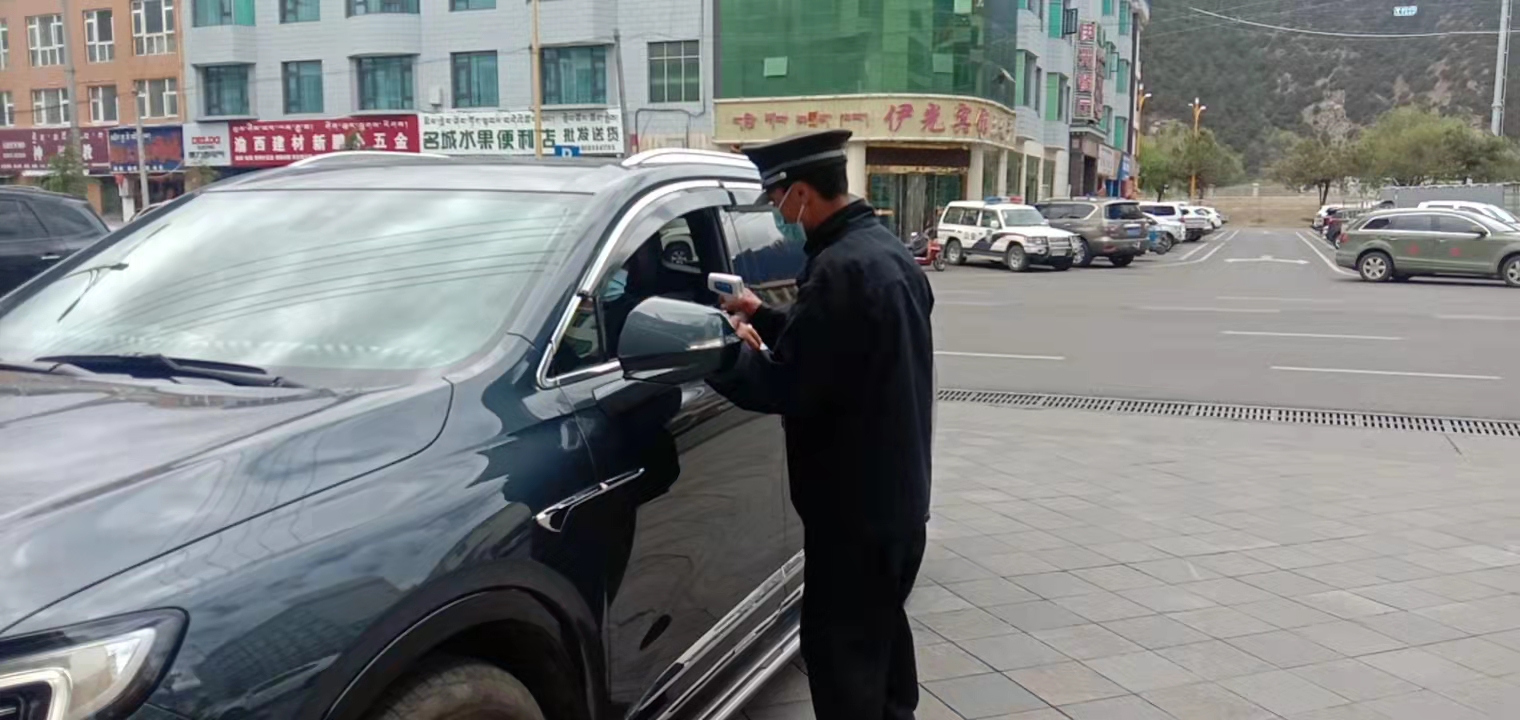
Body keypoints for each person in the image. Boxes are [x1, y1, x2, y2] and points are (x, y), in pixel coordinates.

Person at [706, 129, 935, 720]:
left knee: (841, 661)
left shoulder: (838, 269)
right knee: (881, 641)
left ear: (802, 193)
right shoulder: (885, 253)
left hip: (852, 516)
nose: (777, 212)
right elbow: (841, 345)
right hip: (898, 503)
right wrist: (765, 315)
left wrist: (724, 354)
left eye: (777, 198)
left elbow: (789, 386)